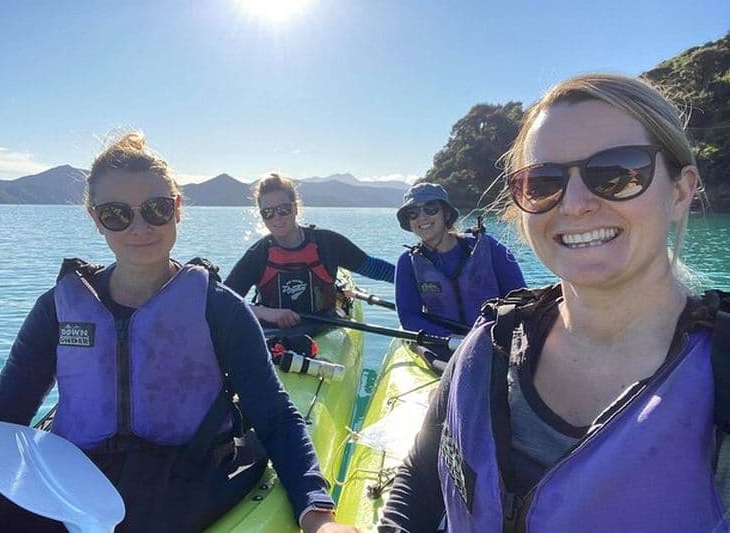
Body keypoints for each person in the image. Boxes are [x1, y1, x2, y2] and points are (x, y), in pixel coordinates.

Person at [0, 133, 356, 533]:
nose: (139, 228)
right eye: (116, 214)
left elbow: (275, 415)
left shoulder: (219, 307)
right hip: (72, 473)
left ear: (177, 208)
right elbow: (0, 414)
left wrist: (317, 512)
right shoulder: (57, 308)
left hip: (186, 478)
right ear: (96, 220)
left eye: (155, 209)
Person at [378, 73, 730, 532]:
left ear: (680, 191)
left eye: (618, 173)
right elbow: (422, 480)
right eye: (542, 183)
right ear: (522, 206)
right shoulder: (487, 347)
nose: (576, 203)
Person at [225, 173, 395, 328]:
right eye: (268, 212)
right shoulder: (258, 254)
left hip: (326, 327)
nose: (276, 217)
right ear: (261, 215)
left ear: (295, 208)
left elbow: (374, 268)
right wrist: (269, 314)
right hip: (275, 335)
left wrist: (416, 280)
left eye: (283, 209)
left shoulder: (328, 243)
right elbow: (223, 300)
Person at [394, 182, 525, 337]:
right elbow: (409, 317)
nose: (422, 217)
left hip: (496, 340)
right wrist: (450, 338)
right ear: (408, 221)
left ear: (446, 214)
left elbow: (521, 300)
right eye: (413, 213)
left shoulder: (489, 248)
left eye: (431, 209)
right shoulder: (407, 263)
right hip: (444, 345)